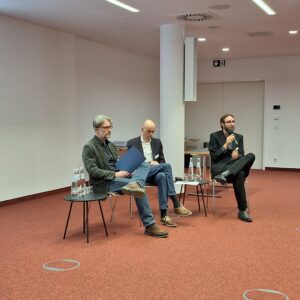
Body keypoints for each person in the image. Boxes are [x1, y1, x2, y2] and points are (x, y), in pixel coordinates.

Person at [82, 115, 168, 238]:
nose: (109, 130)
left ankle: (135, 182)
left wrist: (128, 170)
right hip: (105, 182)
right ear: (96, 130)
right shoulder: (89, 147)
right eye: (106, 127)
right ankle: (149, 225)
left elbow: (117, 164)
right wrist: (114, 174)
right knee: (139, 188)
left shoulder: (110, 145)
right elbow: (92, 170)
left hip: (120, 177)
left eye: (110, 127)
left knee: (143, 163)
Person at [127, 120, 192, 228]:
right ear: (142, 129)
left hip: (154, 172)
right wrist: (148, 163)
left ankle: (164, 215)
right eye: (149, 131)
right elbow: (131, 164)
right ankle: (176, 202)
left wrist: (157, 163)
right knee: (167, 166)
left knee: (162, 176)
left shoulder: (157, 142)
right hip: (140, 174)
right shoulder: (132, 143)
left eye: (153, 131)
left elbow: (162, 161)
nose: (151, 134)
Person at [208, 113, 255, 222]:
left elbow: (242, 155)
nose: (232, 124)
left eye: (233, 121)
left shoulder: (239, 137)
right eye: (229, 122)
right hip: (220, 169)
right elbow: (214, 156)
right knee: (239, 175)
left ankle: (228, 172)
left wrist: (237, 155)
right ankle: (242, 210)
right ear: (222, 124)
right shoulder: (214, 136)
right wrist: (225, 145)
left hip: (233, 166)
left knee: (251, 155)